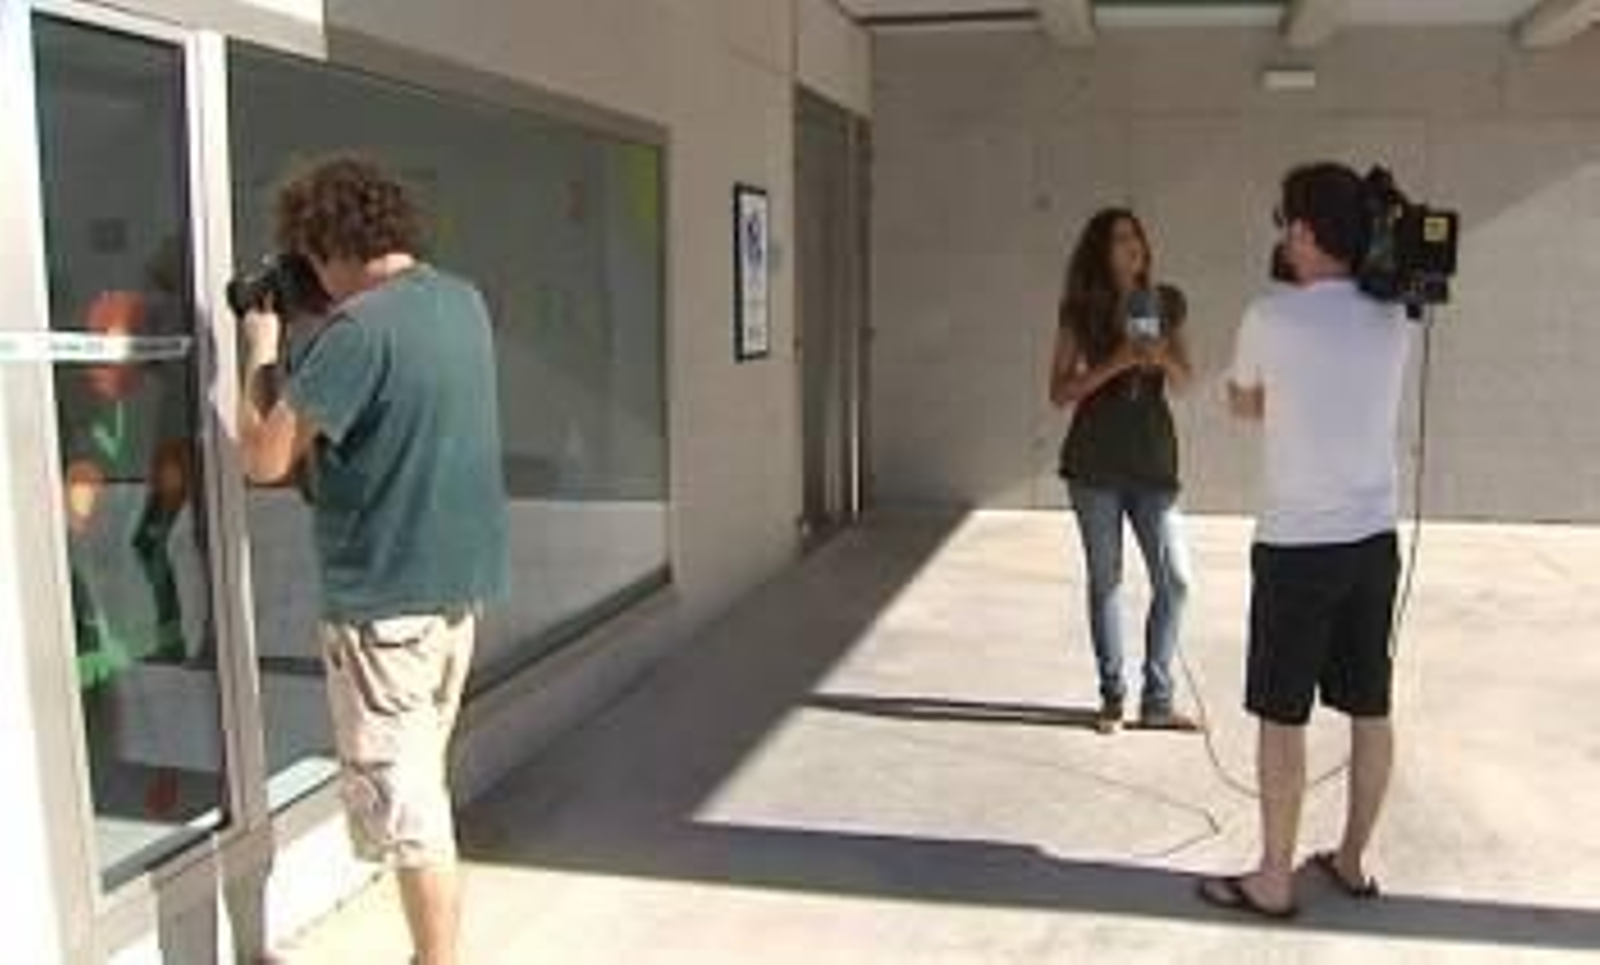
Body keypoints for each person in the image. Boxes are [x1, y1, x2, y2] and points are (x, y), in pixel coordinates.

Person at [239, 157, 509, 965]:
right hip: (455, 591)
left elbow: (264, 458)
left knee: (411, 815)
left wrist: (261, 350)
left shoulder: (356, 336)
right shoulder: (461, 301)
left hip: (385, 607)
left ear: (325, 243)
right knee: (420, 787)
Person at [1200, 162, 1411, 920]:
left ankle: (1274, 877)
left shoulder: (1271, 317)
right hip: (1373, 542)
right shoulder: (1396, 316)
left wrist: (1278, 399)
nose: (1281, 233)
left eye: (1286, 220)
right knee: (1369, 706)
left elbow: (1242, 402)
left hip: (1298, 547)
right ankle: (1352, 860)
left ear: (1304, 230)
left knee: (1282, 714)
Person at [1049, 208, 1198, 735]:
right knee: (1106, 581)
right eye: (1119, 239)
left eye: (1137, 236)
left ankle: (1158, 700)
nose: (1132, 246)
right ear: (1101, 250)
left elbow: (1185, 382)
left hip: (1153, 462)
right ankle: (1113, 698)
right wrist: (1114, 363)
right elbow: (1058, 392)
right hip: (1094, 464)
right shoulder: (1079, 311)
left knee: (1175, 579)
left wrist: (1160, 359)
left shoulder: (1164, 303)